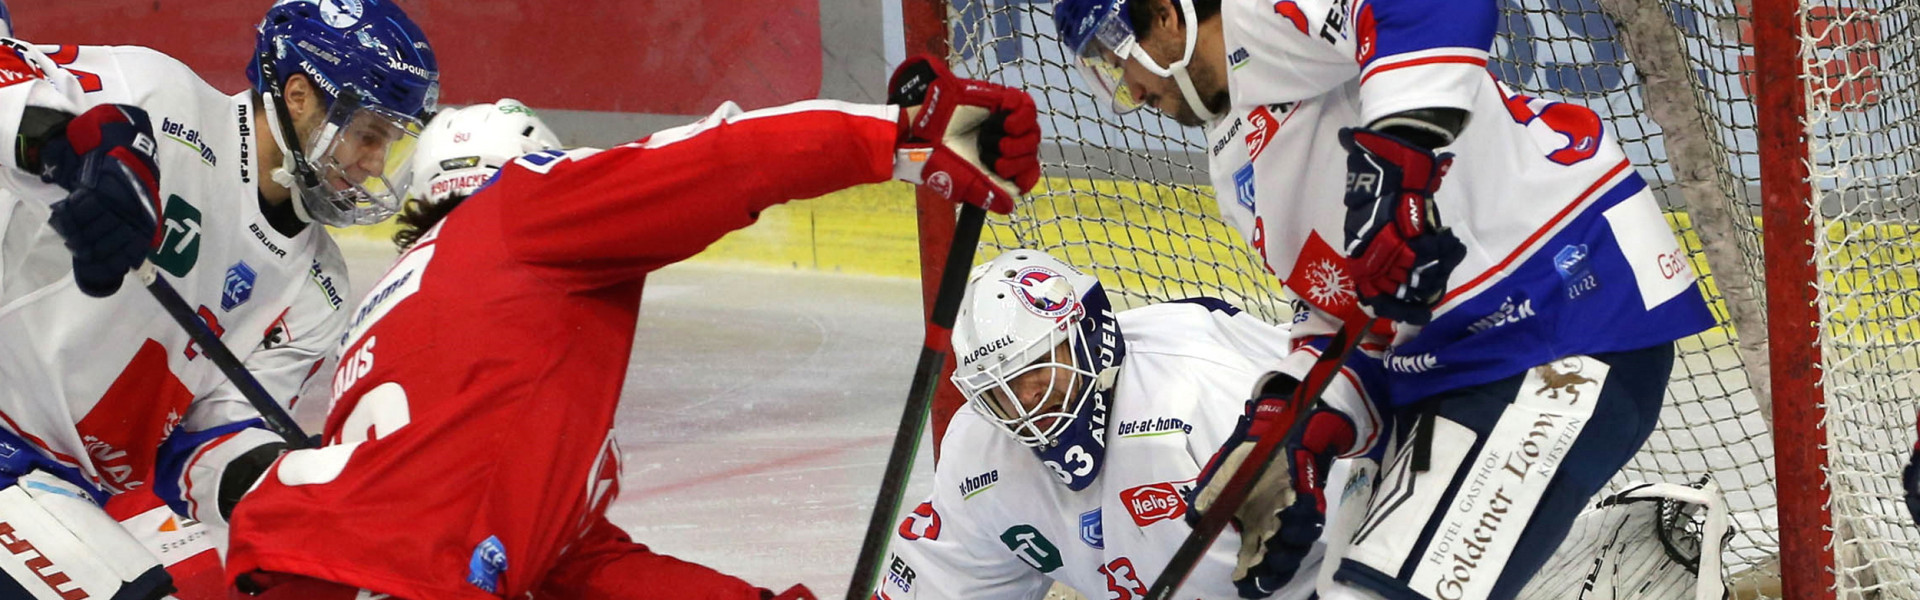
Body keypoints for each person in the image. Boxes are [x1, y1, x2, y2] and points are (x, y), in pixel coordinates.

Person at [223, 56, 1043, 600]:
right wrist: (907, 133)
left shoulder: (404, 313)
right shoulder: (524, 211)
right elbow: (714, 164)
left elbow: (575, 566)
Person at [1050, 0, 1719, 598]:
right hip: (1451, 371)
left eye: (1117, 56)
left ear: (1167, 15)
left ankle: (1626, 574)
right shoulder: (1235, 171)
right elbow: (1353, 313)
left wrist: (1398, 160)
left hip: (1560, 313)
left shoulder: (1266, 9)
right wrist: (1298, 422)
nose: (1129, 91)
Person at [0, 0, 435, 597]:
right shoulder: (160, 97)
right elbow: (10, 78)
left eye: (389, 143)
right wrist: (77, 146)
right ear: (301, 96)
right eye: (367, 134)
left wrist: (287, 481)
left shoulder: (320, 289)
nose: (374, 165)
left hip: (60, 485)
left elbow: (207, 441)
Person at [875, 248, 1378, 599]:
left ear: (1086, 336)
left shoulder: (1202, 394)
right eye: (998, 388)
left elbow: (1373, 500)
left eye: (1035, 369)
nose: (1024, 400)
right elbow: (944, 582)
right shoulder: (978, 456)